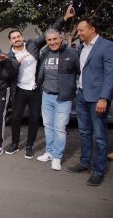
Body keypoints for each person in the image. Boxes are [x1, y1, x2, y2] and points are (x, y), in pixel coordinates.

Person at [5, 5, 75, 159]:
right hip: (19, 90)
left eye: (18, 36)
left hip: (36, 89)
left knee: (34, 118)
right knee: (16, 118)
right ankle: (15, 143)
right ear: (10, 41)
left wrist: (64, 19)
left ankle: (29, 146)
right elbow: (7, 74)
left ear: (22, 37)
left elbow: (48, 33)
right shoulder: (9, 57)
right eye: (13, 38)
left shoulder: (32, 45)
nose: (16, 39)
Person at [67, 19, 113, 186]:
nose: (79, 33)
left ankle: (98, 171)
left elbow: (110, 74)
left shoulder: (106, 46)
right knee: (84, 133)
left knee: (100, 136)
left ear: (92, 29)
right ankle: (84, 163)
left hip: (97, 99)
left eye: (81, 30)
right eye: (78, 31)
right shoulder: (82, 47)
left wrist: (104, 98)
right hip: (82, 96)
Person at [36, 29, 80, 171]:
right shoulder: (45, 53)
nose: (52, 42)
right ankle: (49, 152)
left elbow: (80, 72)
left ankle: (57, 157)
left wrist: (74, 88)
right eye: (49, 40)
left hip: (63, 98)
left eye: (55, 39)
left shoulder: (72, 53)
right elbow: (41, 72)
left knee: (60, 128)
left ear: (60, 39)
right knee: (48, 126)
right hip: (47, 95)